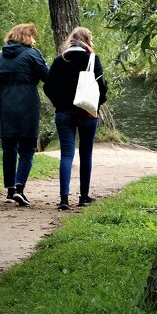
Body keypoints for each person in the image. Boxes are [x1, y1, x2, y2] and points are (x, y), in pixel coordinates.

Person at [43, 26, 108, 211]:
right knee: (85, 154)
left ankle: (64, 199)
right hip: (87, 114)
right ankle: (84, 197)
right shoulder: (92, 59)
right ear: (87, 40)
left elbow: (48, 87)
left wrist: (60, 103)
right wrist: (96, 104)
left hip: (64, 114)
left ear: (72, 39)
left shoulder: (60, 60)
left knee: (66, 155)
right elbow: (102, 89)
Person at [0, 22, 49, 207]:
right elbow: (48, 77)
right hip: (27, 105)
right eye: (33, 36)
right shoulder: (32, 55)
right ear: (27, 36)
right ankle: (20, 188)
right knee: (28, 149)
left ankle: (10, 190)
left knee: (9, 148)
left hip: (4, 107)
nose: (35, 40)